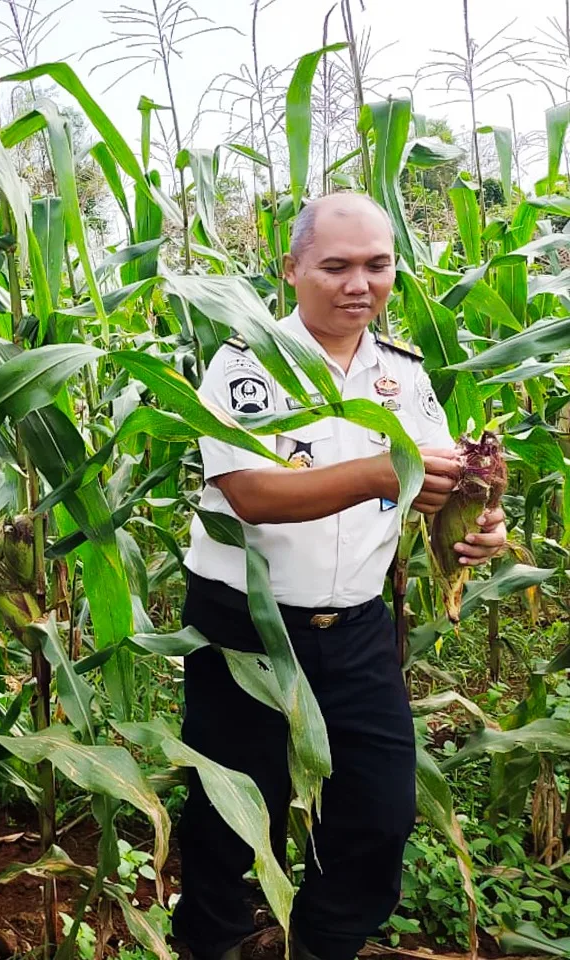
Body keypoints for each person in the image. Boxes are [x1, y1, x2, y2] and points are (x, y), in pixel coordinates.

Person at [174, 193, 506, 960]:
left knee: (380, 809)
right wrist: (384, 473)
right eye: (336, 266)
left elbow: (435, 487)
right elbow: (251, 494)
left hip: (356, 626)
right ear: (291, 269)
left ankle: (317, 945)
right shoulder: (245, 365)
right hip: (246, 625)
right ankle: (214, 944)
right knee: (231, 811)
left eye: (377, 265)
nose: (359, 284)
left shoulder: (403, 376)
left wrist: (475, 527)